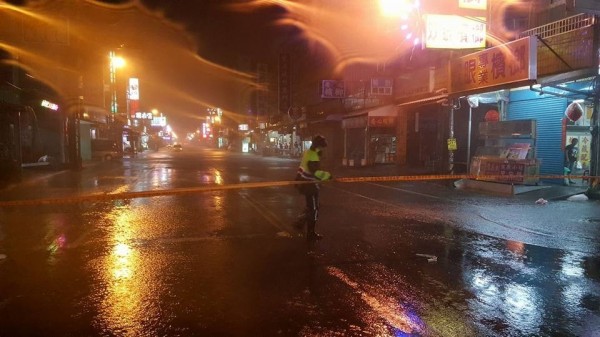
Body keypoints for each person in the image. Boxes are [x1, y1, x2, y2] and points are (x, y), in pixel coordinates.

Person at [295, 135, 332, 241]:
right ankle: (310, 233)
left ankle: (300, 223)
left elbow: (301, 168)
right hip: (310, 186)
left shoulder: (308, 152)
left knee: (312, 207)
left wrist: (297, 179)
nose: (322, 150)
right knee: (314, 209)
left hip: (307, 184)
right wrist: (327, 176)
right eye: (321, 147)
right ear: (318, 146)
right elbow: (315, 172)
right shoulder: (313, 156)